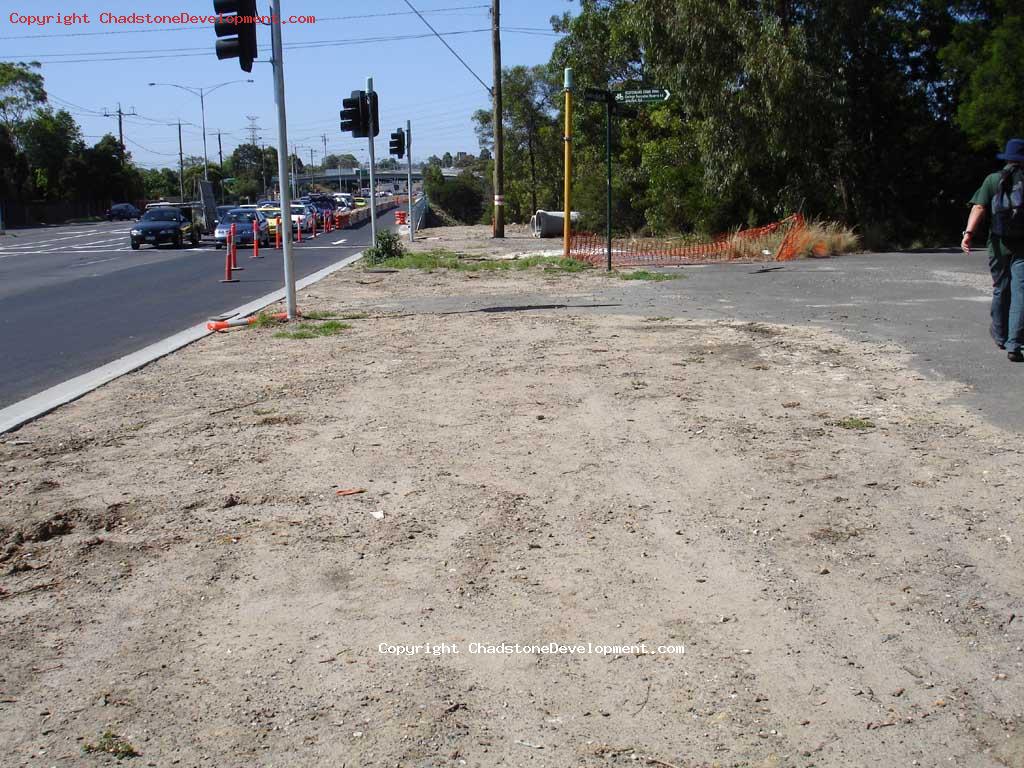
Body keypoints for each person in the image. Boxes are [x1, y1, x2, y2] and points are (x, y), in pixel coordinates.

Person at [963, 138, 1024, 363]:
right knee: (1020, 292)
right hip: (1023, 247)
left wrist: (968, 234)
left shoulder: (992, 180)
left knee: (1000, 288)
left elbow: (979, 207)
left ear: (1007, 158)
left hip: (997, 245)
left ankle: (1000, 336)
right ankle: (1015, 344)